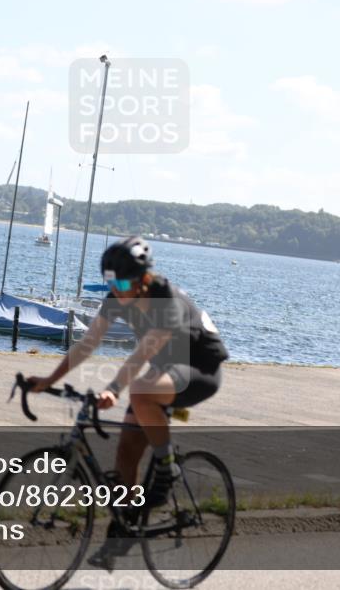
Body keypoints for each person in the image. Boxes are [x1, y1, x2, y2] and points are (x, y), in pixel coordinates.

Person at [27, 236, 229, 568]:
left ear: (142, 278)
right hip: (166, 372)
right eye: (110, 282)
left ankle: (167, 468)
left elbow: (146, 350)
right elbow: (87, 343)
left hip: (201, 369)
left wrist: (113, 388)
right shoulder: (119, 295)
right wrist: (49, 380)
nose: (116, 289)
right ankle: (120, 537)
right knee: (126, 454)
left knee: (140, 389)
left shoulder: (165, 298)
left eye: (121, 282)